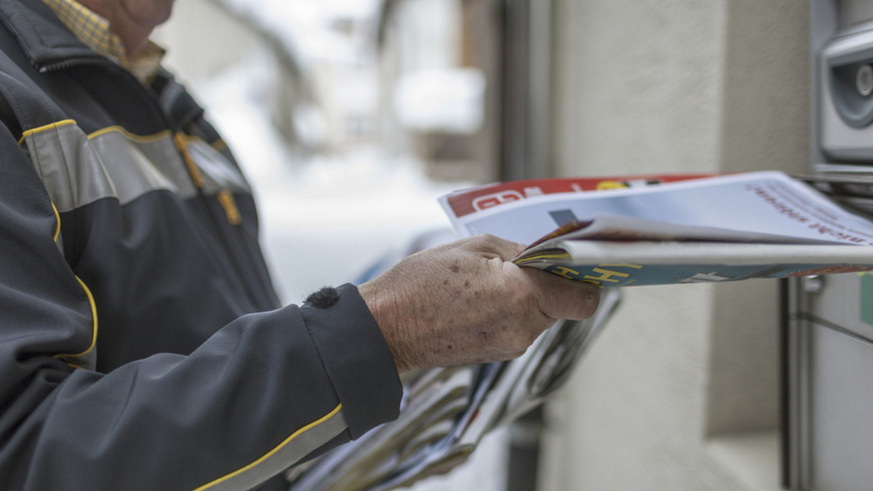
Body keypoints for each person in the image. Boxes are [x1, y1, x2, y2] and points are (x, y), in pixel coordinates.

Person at [0, 0, 600, 489]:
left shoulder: (173, 109)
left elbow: (222, 334)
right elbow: (26, 455)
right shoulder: (17, 101)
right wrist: (384, 332)